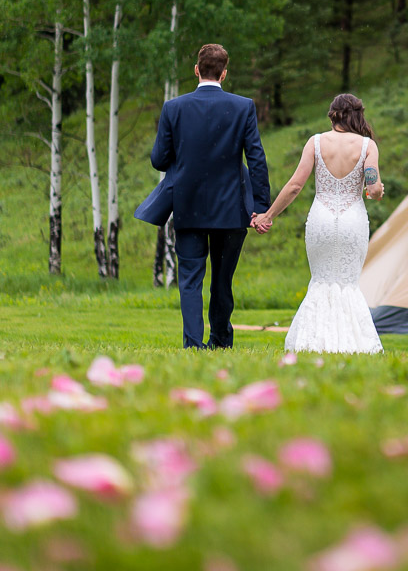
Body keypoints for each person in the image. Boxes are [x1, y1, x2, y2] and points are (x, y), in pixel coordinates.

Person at [147, 44, 270, 349]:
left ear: (196, 70)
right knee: (222, 280)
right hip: (231, 209)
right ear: (224, 74)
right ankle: (220, 340)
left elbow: (159, 160)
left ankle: (192, 343)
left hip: (188, 207)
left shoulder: (173, 108)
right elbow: (256, 160)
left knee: (190, 279)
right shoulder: (243, 107)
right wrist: (261, 207)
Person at [253, 93, 384, 354]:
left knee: (322, 279)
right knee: (348, 281)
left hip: (321, 219)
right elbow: (373, 188)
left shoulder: (315, 142)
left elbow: (295, 186)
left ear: (332, 115)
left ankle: (313, 341)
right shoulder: (368, 146)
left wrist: (268, 215)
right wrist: (379, 188)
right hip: (352, 221)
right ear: (358, 115)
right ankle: (355, 344)